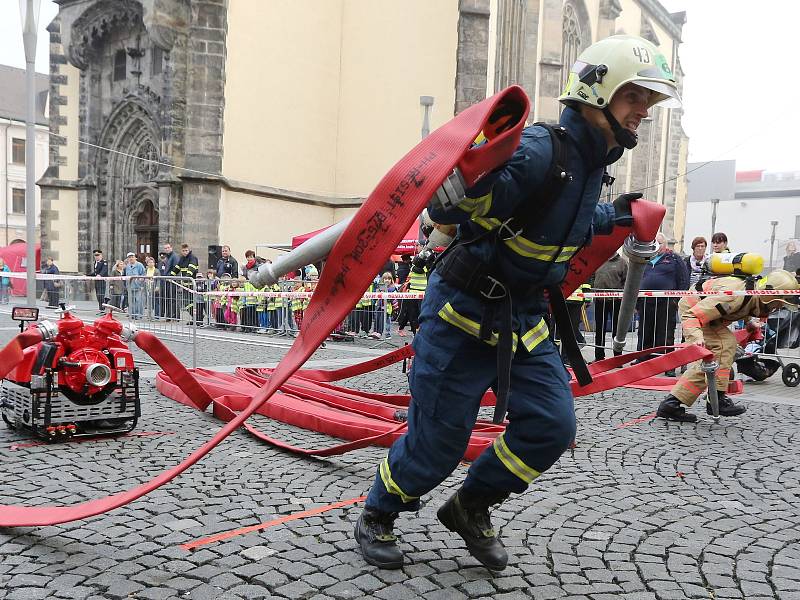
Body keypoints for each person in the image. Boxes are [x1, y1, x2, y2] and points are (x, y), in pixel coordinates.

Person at [354, 34, 681, 571]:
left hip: (524, 320)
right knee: (438, 443)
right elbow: (450, 210)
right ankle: (379, 512)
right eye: (634, 95)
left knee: (552, 425)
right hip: (461, 316)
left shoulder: (591, 161)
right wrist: (459, 180)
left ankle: (471, 505)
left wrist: (620, 214)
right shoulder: (537, 151)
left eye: (649, 98)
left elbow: (566, 221)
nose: (644, 109)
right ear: (597, 92)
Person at [657, 269, 799, 422]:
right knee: (726, 345)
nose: (777, 308)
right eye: (779, 302)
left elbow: (743, 307)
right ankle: (716, 399)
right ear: (769, 295)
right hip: (693, 311)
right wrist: (696, 337)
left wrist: (748, 322)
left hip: (706, 314)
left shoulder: (751, 296)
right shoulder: (733, 296)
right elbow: (692, 315)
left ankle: (671, 404)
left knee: (711, 364)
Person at [635, 232, 688, 374]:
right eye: (655, 243)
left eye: (660, 243)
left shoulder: (674, 259)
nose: (657, 246)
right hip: (646, 301)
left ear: (665, 245)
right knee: (645, 331)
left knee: (665, 334)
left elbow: (683, 280)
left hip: (666, 302)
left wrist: (676, 300)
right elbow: (637, 279)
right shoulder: (645, 258)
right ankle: (643, 361)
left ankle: (668, 366)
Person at [592, 252, 628, 361]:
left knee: (617, 330)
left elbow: (627, 281)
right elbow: (591, 277)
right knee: (599, 329)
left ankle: (617, 358)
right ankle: (599, 357)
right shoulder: (598, 261)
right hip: (599, 300)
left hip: (616, 301)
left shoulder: (622, 263)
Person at [124, 252, 146, 319]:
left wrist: (141, 282)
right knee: (131, 301)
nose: (131, 258)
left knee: (139, 300)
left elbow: (144, 274)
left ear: (135, 257)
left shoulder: (139, 265)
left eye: (132, 257)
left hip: (138, 286)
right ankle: (132, 314)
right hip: (130, 286)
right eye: (129, 257)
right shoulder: (127, 266)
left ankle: (139, 315)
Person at [163, 243, 180, 319]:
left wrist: (169, 276)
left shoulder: (174, 256)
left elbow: (175, 268)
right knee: (169, 298)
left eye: (168, 248)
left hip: (172, 280)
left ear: (171, 248)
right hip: (167, 280)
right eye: (165, 248)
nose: (167, 249)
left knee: (173, 298)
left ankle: (174, 316)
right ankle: (169, 315)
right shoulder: (168, 257)